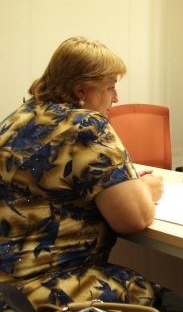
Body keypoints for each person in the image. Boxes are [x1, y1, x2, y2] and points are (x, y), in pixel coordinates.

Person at [0, 37, 164, 310]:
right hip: (41, 288)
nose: (116, 98)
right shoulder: (86, 124)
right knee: (139, 288)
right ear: (81, 91)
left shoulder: (19, 117)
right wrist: (146, 189)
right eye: (110, 87)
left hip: (7, 285)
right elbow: (134, 219)